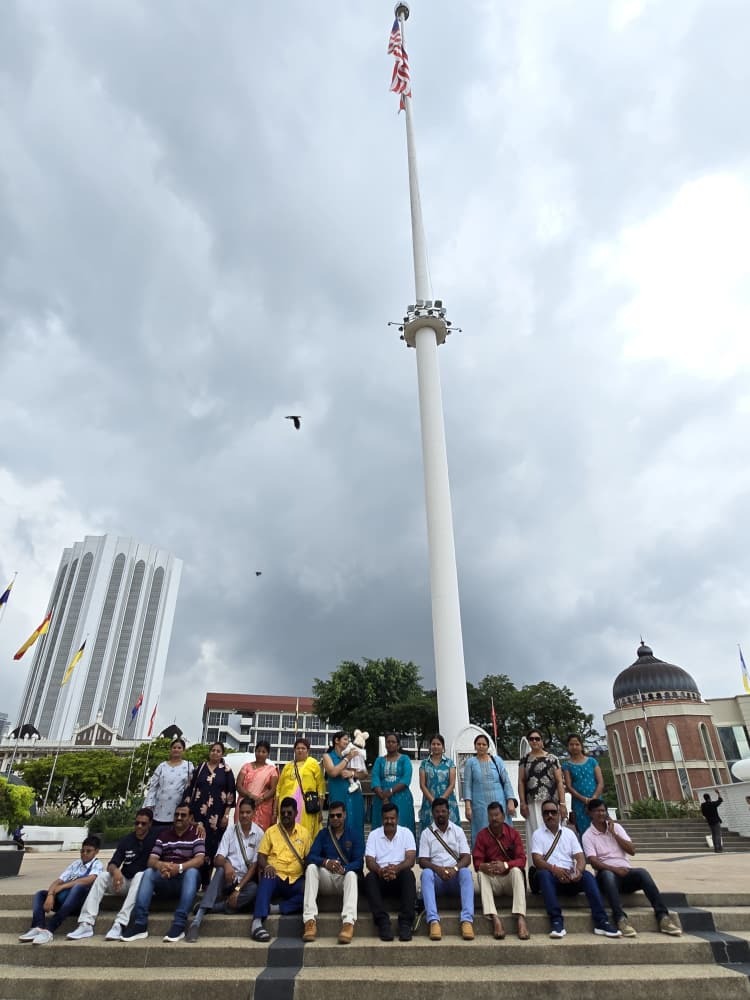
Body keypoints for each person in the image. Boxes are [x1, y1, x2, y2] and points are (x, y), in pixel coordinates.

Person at [582, 799, 682, 937]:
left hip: (625, 872)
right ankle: (620, 918)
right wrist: (615, 869)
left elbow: (632, 850)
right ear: (590, 813)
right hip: (606, 876)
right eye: (597, 811)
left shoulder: (617, 828)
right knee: (607, 875)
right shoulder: (588, 835)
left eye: (603, 810)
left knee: (642, 873)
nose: (601, 813)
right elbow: (593, 862)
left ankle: (663, 917)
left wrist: (614, 834)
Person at [531, 799, 621, 939]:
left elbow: (580, 858)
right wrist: (555, 870)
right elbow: (537, 860)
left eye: (553, 812)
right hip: (551, 877)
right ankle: (556, 921)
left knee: (588, 876)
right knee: (543, 875)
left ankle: (601, 921)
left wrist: (578, 871)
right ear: (542, 816)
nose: (550, 815)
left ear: (559, 814)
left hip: (570, 876)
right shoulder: (538, 834)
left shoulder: (569, 833)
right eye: (546, 813)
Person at [67, 809, 156, 941]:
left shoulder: (155, 840)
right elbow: (112, 864)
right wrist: (116, 871)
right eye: (137, 823)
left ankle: (120, 923)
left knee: (140, 876)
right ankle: (86, 923)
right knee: (103, 876)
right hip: (125, 882)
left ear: (150, 824)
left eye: (143, 824)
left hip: (145, 885)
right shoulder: (127, 840)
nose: (139, 826)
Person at [121, 804, 205, 943]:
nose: (179, 817)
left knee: (192, 873)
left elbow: (199, 859)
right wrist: (162, 866)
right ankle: (140, 923)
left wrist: (179, 868)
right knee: (148, 872)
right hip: (166, 878)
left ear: (191, 818)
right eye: (176, 814)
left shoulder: (196, 834)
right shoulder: (164, 835)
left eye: (183, 815)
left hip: (185, 880)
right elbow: (151, 860)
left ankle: (179, 924)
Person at [186, 796, 263, 942]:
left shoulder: (259, 834)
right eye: (242, 812)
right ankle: (197, 920)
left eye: (248, 812)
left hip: (244, 883)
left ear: (253, 813)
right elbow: (218, 859)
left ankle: (217, 907)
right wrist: (227, 865)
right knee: (220, 870)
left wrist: (238, 889)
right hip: (228, 879)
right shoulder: (231, 831)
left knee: (254, 889)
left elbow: (254, 867)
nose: (244, 815)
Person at [19, 836, 103, 945]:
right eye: (82, 851)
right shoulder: (76, 864)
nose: (84, 854)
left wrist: (63, 886)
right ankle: (37, 927)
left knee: (78, 887)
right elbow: (58, 881)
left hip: (79, 904)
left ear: (96, 852)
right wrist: (50, 895)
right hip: (64, 901)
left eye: (88, 851)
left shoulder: (97, 864)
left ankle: (49, 930)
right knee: (40, 894)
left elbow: (90, 879)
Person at [302, 798, 364, 944]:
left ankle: (348, 923)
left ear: (345, 815)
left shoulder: (354, 834)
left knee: (352, 875)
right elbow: (310, 857)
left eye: (338, 815)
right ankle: (309, 921)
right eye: (332, 816)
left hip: (343, 879)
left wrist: (345, 868)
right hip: (327, 878)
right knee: (311, 868)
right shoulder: (323, 834)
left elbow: (359, 862)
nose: (335, 818)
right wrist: (326, 862)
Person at [251, 796, 312, 942]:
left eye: (289, 813)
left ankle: (278, 908)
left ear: (296, 813)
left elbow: (309, 859)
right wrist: (267, 866)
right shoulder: (271, 832)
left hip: (295, 879)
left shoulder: (304, 833)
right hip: (276, 876)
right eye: (282, 812)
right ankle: (257, 923)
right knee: (266, 878)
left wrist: (307, 875)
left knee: (309, 893)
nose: (285, 815)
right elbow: (261, 856)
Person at [417, 797, 474, 941]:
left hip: (454, 878)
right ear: (432, 813)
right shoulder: (426, 833)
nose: (440, 814)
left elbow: (467, 858)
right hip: (437, 879)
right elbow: (422, 861)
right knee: (426, 874)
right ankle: (433, 921)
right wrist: (438, 869)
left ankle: (467, 920)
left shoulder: (458, 831)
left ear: (449, 812)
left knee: (466, 872)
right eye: (437, 811)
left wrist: (455, 869)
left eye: (443, 811)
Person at [472, 801, 529, 941]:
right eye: (491, 816)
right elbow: (477, 863)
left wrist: (506, 865)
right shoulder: (482, 835)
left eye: (497, 815)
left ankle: (521, 918)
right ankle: (495, 918)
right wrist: (485, 866)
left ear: (503, 816)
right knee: (481, 874)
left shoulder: (513, 834)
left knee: (516, 871)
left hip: (510, 881)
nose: (494, 818)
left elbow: (522, 860)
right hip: (493, 881)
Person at [184, 740, 236, 886]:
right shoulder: (200, 768)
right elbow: (190, 788)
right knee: (196, 845)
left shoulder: (226, 771)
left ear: (222, 754)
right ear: (209, 752)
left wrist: (226, 815)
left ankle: (207, 883)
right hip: (198, 815)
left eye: (218, 751)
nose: (215, 753)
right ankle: (194, 881)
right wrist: (188, 811)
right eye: (213, 750)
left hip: (216, 816)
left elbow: (231, 794)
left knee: (213, 847)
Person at [364, 801, 417, 942]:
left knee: (408, 874)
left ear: (397, 819)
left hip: (399, 877)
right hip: (381, 877)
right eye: (386, 818)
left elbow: (411, 859)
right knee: (370, 877)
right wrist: (380, 871)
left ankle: (405, 924)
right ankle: (383, 923)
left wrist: (396, 869)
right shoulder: (374, 835)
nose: (389, 821)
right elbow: (369, 861)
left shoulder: (406, 833)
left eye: (392, 818)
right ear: (382, 819)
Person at [463, 733, 518, 848]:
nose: (481, 746)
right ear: (475, 746)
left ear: (488, 746)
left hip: (500, 802)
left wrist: (510, 800)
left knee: (503, 831)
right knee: (482, 833)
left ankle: (505, 855)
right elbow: (467, 785)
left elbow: (506, 781)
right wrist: (468, 807)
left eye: (484, 744)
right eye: (479, 744)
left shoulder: (497, 760)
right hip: (480, 806)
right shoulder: (470, 763)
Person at [519, 729, 567, 844]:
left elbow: (559, 782)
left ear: (542, 741)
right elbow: (521, 781)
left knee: (553, 830)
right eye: (531, 739)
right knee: (535, 832)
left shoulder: (552, 759)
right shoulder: (524, 760)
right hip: (532, 802)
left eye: (537, 739)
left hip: (551, 801)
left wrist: (562, 803)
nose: (534, 741)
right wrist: (522, 803)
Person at [275, 737, 325, 841]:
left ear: (308, 750)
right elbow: (278, 788)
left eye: (303, 748)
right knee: (286, 833)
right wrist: (275, 811)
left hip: (306, 807)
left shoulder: (313, 764)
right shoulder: (288, 766)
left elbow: (321, 788)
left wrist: (320, 811)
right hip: (287, 807)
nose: (300, 750)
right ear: (294, 750)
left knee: (305, 834)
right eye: (298, 748)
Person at [322, 732, 366, 839]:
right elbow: (333, 772)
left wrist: (352, 773)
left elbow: (364, 774)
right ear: (336, 740)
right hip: (338, 796)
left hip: (355, 797)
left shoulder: (354, 752)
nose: (348, 742)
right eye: (345, 739)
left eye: (349, 740)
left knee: (356, 826)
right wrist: (347, 758)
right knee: (337, 825)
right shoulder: (327, 756)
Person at [143, 737, 195, 829]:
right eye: (174, 747)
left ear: (183, 750)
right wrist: (148, 806)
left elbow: (192, 786)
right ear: (170, 750)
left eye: (179, 748)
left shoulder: (188, 766)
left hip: (178, 810)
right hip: (159, 810)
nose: (176, 750)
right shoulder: (162, 766)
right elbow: (153, 787)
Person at [371, 732, 416, 837]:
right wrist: (382, 795)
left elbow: (406, 779)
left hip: (401, 797)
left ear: (398, 745)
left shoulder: (405, 759)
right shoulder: (379, 760)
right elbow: (375, 778)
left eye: (393, 742)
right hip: (381, 798)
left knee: (402, 824)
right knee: (381, 825)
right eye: (388, 742)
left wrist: (390, 792)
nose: (390, 744)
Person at [562, 733, 603, 836]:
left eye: (577, 744)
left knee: (600, 827)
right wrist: (584, 799)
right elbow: (569, 786)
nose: (574, 747)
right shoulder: (567, 765)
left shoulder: (592, 761)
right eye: (571, 744)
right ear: (568, 747)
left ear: (581, 746)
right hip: (579, 803)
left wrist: (593, 798)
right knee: (584, 831)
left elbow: (600, 782)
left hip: (596, 800)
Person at [418, 734, 460, 832]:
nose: (436, 746)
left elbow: (452, 784)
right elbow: (422, 785)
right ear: (430, 746)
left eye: (438, 744)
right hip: (429, 802)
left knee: (450, 831)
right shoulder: (424, 763)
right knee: (429, 832)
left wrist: (441, 800)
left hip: (447, 802)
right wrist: (433, 801)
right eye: (433, 744)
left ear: (443, 747)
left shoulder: (449, 763)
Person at [236, 739, 278, 831]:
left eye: (263, 752)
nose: (260, 754)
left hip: (262, 807)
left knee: (260, 835)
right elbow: (238, 785)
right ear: (255, 752)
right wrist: (251, 796)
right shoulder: (246, 767)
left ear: (268, 754)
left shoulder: (271, 770)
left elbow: (273, 790)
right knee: (241, 833)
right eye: (258, 751)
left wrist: (261, 798)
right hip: (245, 804)